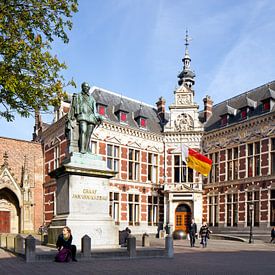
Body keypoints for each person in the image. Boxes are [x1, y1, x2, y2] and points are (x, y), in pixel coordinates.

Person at [67, 82, 103, 154]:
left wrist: (100, 117)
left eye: (87, 87)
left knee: (89, 134)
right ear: (82, 87)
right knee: (83, 131)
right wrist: (72, 116)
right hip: (82, 115)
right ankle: (82, 149)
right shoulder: (78, 96)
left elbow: (95, 112)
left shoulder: (92, 99)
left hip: (91, 117)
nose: (86, 88)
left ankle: (86, 149)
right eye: (85, 87)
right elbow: (73, 107)